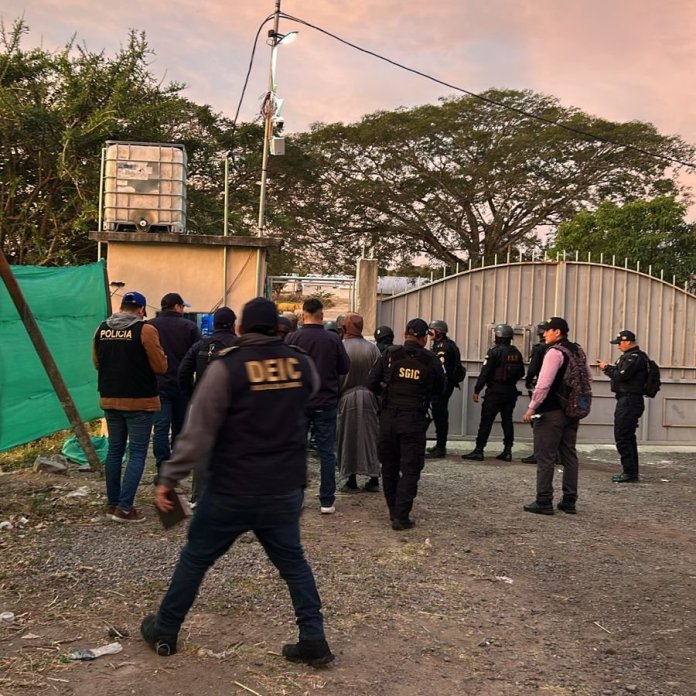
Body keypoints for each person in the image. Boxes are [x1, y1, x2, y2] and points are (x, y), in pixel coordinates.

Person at [140, 297, 334, 666]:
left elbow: (198, 431)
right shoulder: (300, 364)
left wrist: (170, 476)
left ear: (241, 329)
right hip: (284, 486)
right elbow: (307, 398)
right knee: (294, 564)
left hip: (233, 487)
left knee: (196, 558)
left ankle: (165, 628)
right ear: (278, 327)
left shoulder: (227, 367)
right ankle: (313, 638)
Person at [92, 291, 167, 522]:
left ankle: (112, 503)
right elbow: (160, 366)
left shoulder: (101, 329)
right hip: (139, 401)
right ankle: (125, 509)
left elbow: (96, 362)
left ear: (121, 306)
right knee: (136, 454)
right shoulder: (145, 330)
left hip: (110, 399)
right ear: (142, 310)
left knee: (115, 451)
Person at [367, 318, 445, 531]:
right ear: (424, 339)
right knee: (410, 469)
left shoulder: (390, 355)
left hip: (389, 418)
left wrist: (388, 394)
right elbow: (440, 388)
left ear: (404, 333)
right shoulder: (431, 360)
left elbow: (371, 383)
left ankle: (394, 511)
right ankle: (401, 516)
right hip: (413, 420)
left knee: (389, 467)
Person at [522, 316, 592, 515]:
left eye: (547, 330)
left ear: (557, 332)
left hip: (551, 410)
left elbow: (543, 383)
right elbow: (589, 377)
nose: (544, 334)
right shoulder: (577, 350)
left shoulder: (554, 352)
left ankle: (544, 500)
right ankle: (569, 500)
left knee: (545, 456)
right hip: (572, 410)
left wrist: (532, 407)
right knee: (569, 454)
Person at [286, 298, 350, 514]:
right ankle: (327, 500)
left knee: (297, 451)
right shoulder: (332, 339)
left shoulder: (292, 338)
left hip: (298, 403)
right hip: (326, 402)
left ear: (303, 315)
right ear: (322, 315)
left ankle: (296, 499)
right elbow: (344, 367)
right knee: (326, 452)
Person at [178, 306, 238, 504]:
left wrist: (193, 395)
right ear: (233, 324)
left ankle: (197, 497)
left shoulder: (200, 345)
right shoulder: (239, 346)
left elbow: (183, 373)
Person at [148, 292, 200, 480]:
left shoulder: (149, 327)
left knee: (161, 427)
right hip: (182, 385)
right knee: (180, 427)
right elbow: (197, 355)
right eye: (183, 307)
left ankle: (162, 466)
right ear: (177, 307)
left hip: (158, 384)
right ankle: (175, 468)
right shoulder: (190, 327)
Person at [462, 324, 525, 462]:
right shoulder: (516, 353)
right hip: (510, 392)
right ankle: (507, 451)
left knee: (486, 421)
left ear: (498, 336)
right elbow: (521, 372)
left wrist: (477, 389)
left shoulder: (494, 352)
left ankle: (479, 450)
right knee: (507, 421)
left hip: (495, 392)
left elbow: (485, 373)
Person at [337, 313, 382, 493]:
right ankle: (373, 478)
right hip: (370, 397)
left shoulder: (340, 347)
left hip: (346, 397)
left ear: (346, 328)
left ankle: (351, 479)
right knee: (371, 437)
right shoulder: (373, 349)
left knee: (348, 438)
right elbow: (379, 376)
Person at [597, 330, 649, 483]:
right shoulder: (633, 357)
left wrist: (607, 368)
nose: (618, 346)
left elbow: (621, 375)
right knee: (627, 436)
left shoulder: (634, 357)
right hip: (627, 399)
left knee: (622, 436)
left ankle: (630, 472)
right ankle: (631, 471)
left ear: (627, 342)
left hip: (629, 400)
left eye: (619, 343)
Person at [425, 320, 463, 458]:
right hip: (446, 385)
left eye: (431, 331)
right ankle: (440, 444)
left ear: (438, 332)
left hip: (442, 387)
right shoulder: (449, 344)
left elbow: (441, 370)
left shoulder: (442, 348)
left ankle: (441, 447)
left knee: (439, 415)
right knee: (439, 414)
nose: (429, 334)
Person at [521, 323, 549, 464]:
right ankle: (557, 454)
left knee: (538, 422)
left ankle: (538, 454)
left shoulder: (539, 349)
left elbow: (532, 369)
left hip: (542, 389)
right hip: (559, 393)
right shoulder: (564, 348)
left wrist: (528, 381)